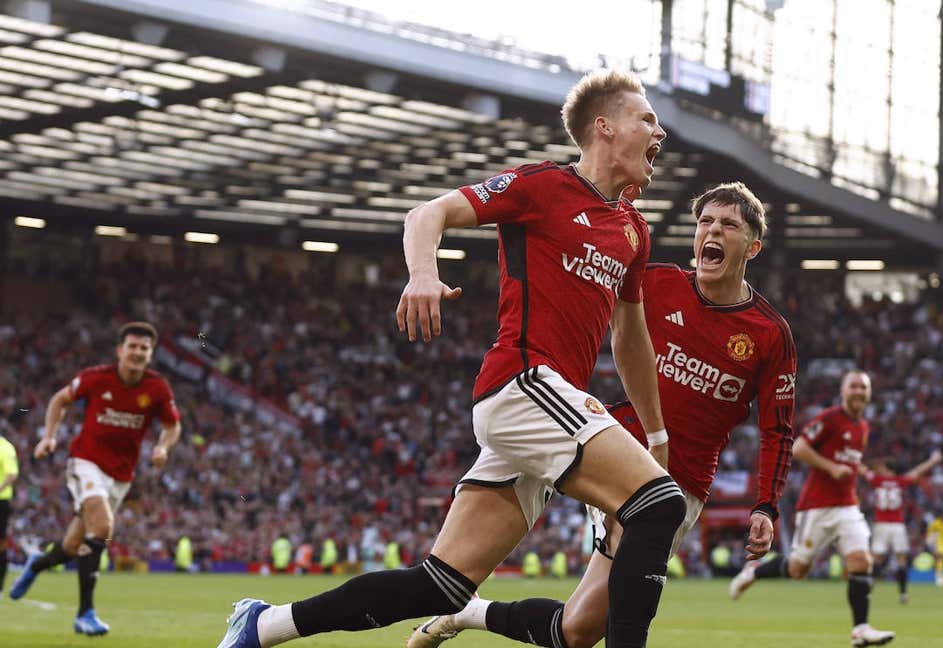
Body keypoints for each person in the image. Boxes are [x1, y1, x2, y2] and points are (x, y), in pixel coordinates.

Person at [216, 68, 681, 648]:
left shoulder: (634, 230)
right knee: (658, 503)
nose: (660, 132)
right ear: (605, 127)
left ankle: (262, 625)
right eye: (648, 119)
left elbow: (630, 339)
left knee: (441, 586)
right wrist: (422, 275)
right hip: (522, 383)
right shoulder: (541, 186)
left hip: (545, 411)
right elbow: (425, 215)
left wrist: (656, 434)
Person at [407, 181, 797, 648]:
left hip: (684, 480)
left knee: (577, 631)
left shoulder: (770, 335)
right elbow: (580, 297)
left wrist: (766, 505)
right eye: (705, 222)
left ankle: (466, 614)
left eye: (728, 225)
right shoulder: (656, 283)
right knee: (625, 620)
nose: (712, 231)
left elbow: (777, 429)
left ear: (751, 245)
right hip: (620, 448)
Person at [9, 321, 181, 637]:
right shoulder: (96, 378)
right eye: (132, 346)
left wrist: (162, 446)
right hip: (85, 462)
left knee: (74, 545)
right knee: (102, 528)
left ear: (151, 354)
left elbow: (172, 426)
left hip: (121, 475)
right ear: (120, 350)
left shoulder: (157, 388)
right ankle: (84, 613)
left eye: (144, 348)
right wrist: (49, 437)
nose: (138, 352)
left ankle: (36, 564)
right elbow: (59, 400)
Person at [729, 370, 896, 647]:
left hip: (848, 506)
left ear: (868, 394)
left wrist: (859, 470)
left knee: (861, 562)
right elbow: (799, 447)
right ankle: (753, 573)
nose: (858, 391)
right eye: (853, 386)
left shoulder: (862, 428)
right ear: (843, 391)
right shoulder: (830, 419)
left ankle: (861, 629)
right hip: (817, 507)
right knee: (797, 569)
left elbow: (847, 462)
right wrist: (832, 467)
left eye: (863, 387)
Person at [862, 450, 942, 603]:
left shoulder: (877, 480)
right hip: (897, 526)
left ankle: (868, 593)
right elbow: (918, 471)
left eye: (882, 467)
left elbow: (862, 470)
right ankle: (903, 595)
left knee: (877, 560)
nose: (879, 469)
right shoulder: (900, 481)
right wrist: (933, 460)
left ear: (887, 469)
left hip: (882, 525)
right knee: (901, 560)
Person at [0, 428, 17, 594]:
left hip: (1, 501)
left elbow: (12, 474)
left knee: (1, 544)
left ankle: (0, 585)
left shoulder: (5, 448)